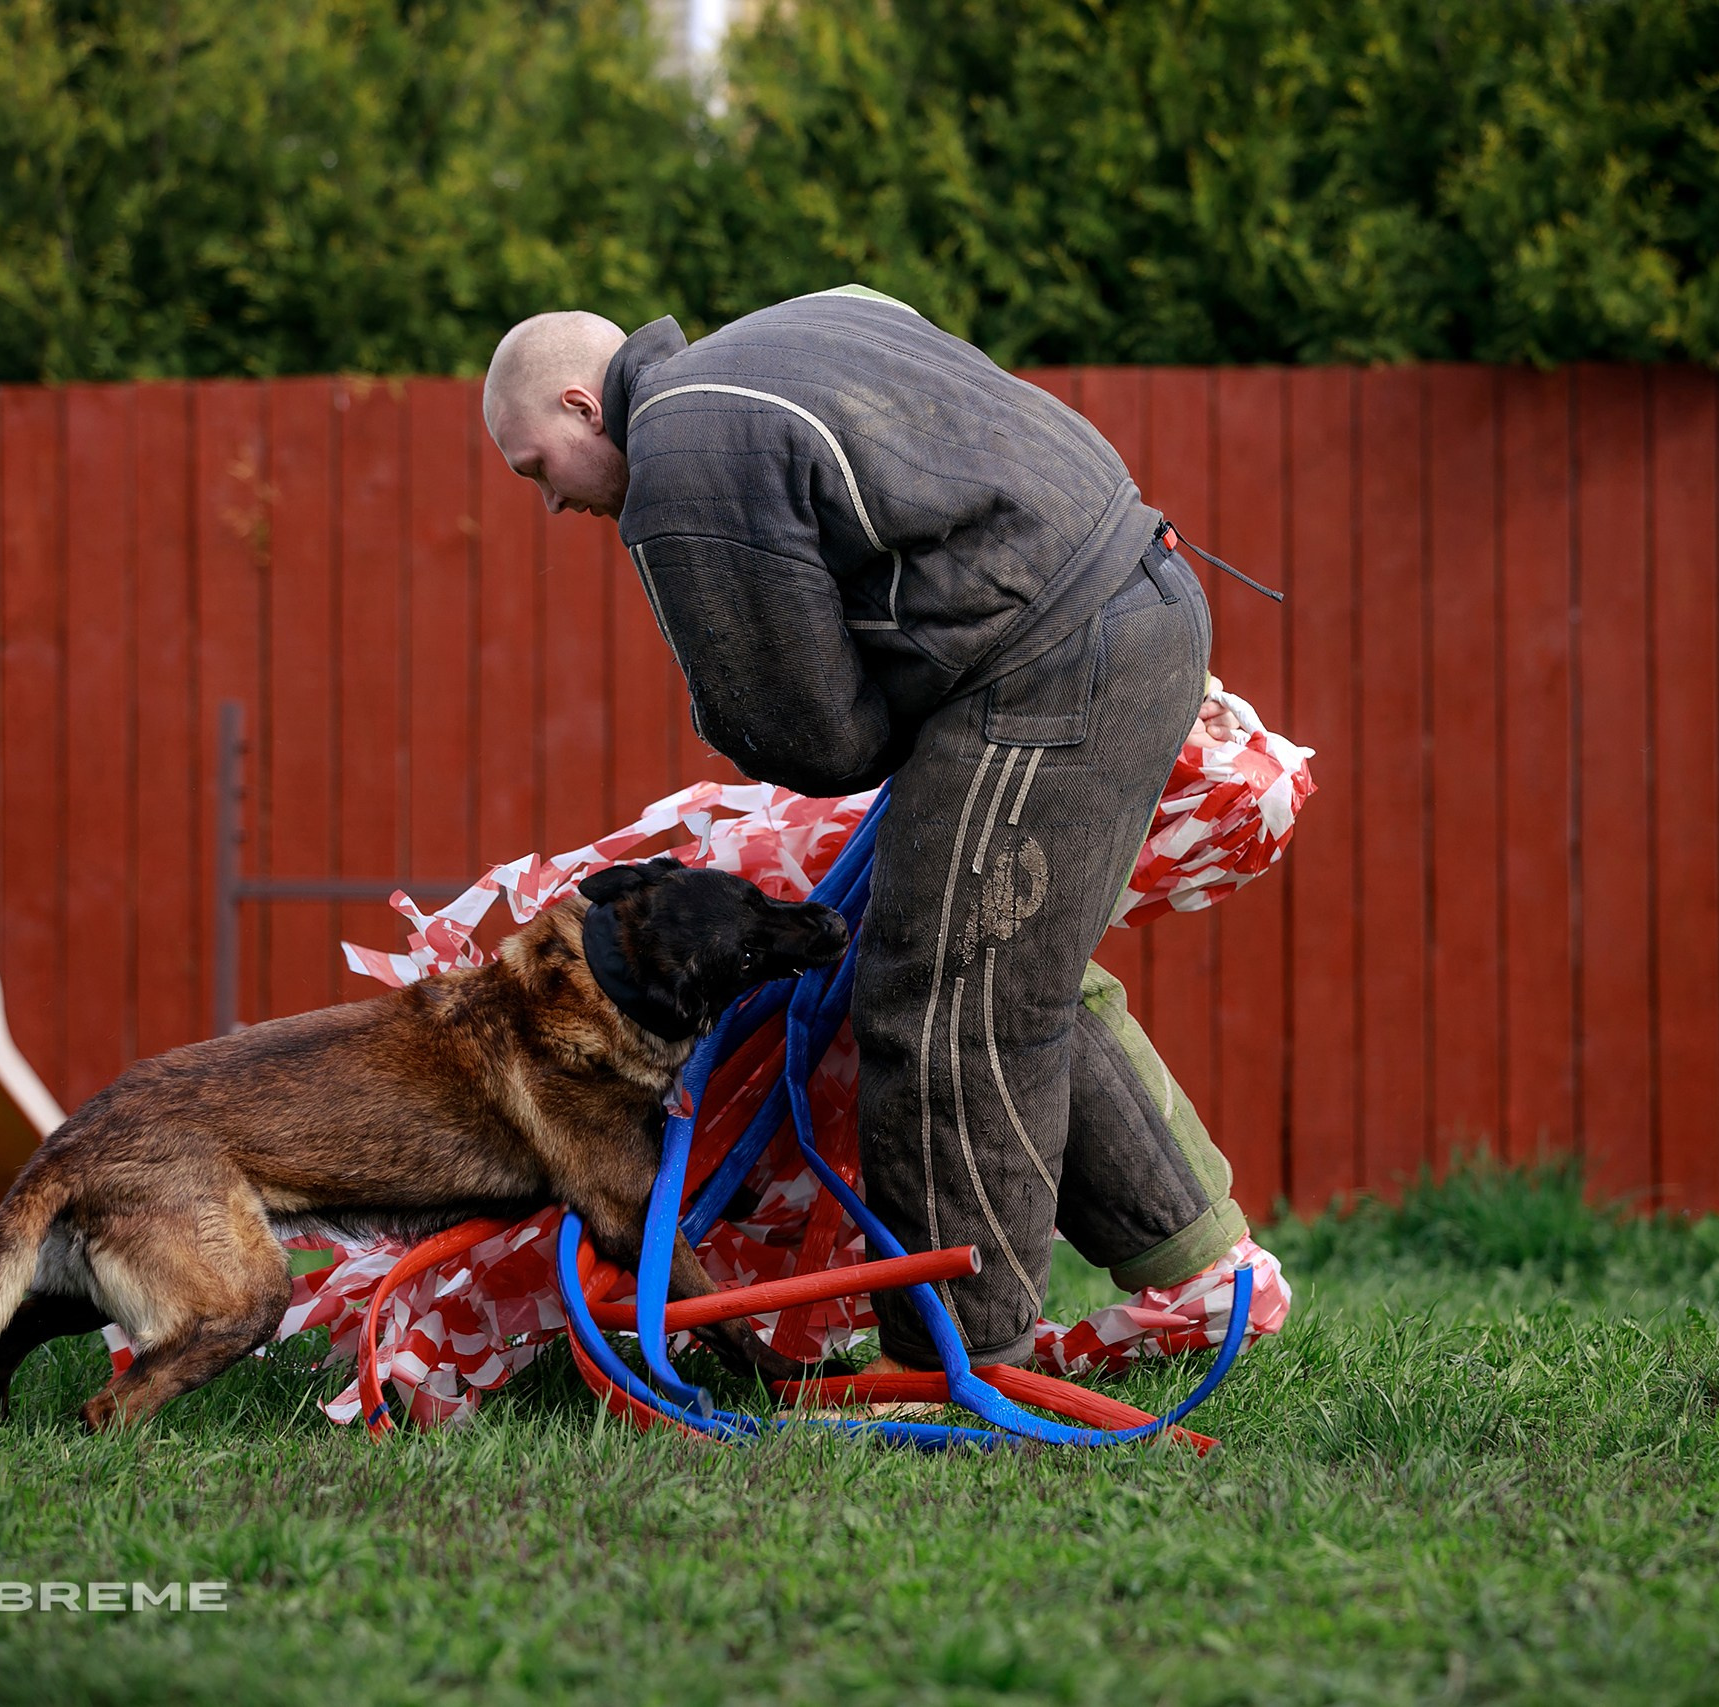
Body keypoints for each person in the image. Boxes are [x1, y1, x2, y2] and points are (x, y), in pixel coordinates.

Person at [482, 287, 1248, 1378]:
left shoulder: (680, 450)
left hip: (1046, 661)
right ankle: (1201, 1271)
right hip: (1136, 596)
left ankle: (956, 1362)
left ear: (581, 404)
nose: (552, 502)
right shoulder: (803, 322)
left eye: (536, 468)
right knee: (1010, 976)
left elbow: (809, 737)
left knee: (944, 999)